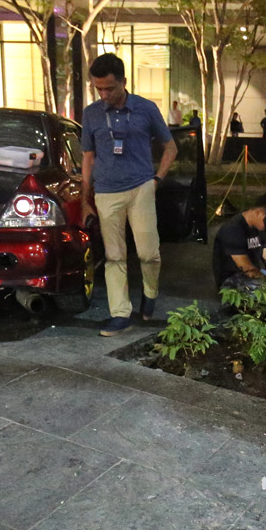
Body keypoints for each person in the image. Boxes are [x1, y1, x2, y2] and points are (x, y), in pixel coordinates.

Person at [81, 52, 177, 337]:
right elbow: (88, 157)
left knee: (149, 253)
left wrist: (157, 179)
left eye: (109, 88)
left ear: (124, 81)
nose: (104, 94)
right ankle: (120, 313)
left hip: (140, 187)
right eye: (98, 89)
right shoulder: (91, 114)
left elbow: (170, 147)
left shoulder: (146, 109)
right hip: (106, 192)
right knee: (114, 256)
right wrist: (87, 198)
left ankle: (150, 292)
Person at [213, 196, 266, 295]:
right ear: (259, 212)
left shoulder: (258, 227)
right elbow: (245, 267)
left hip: (253, 277)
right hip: (231, 281)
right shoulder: (233, 229)